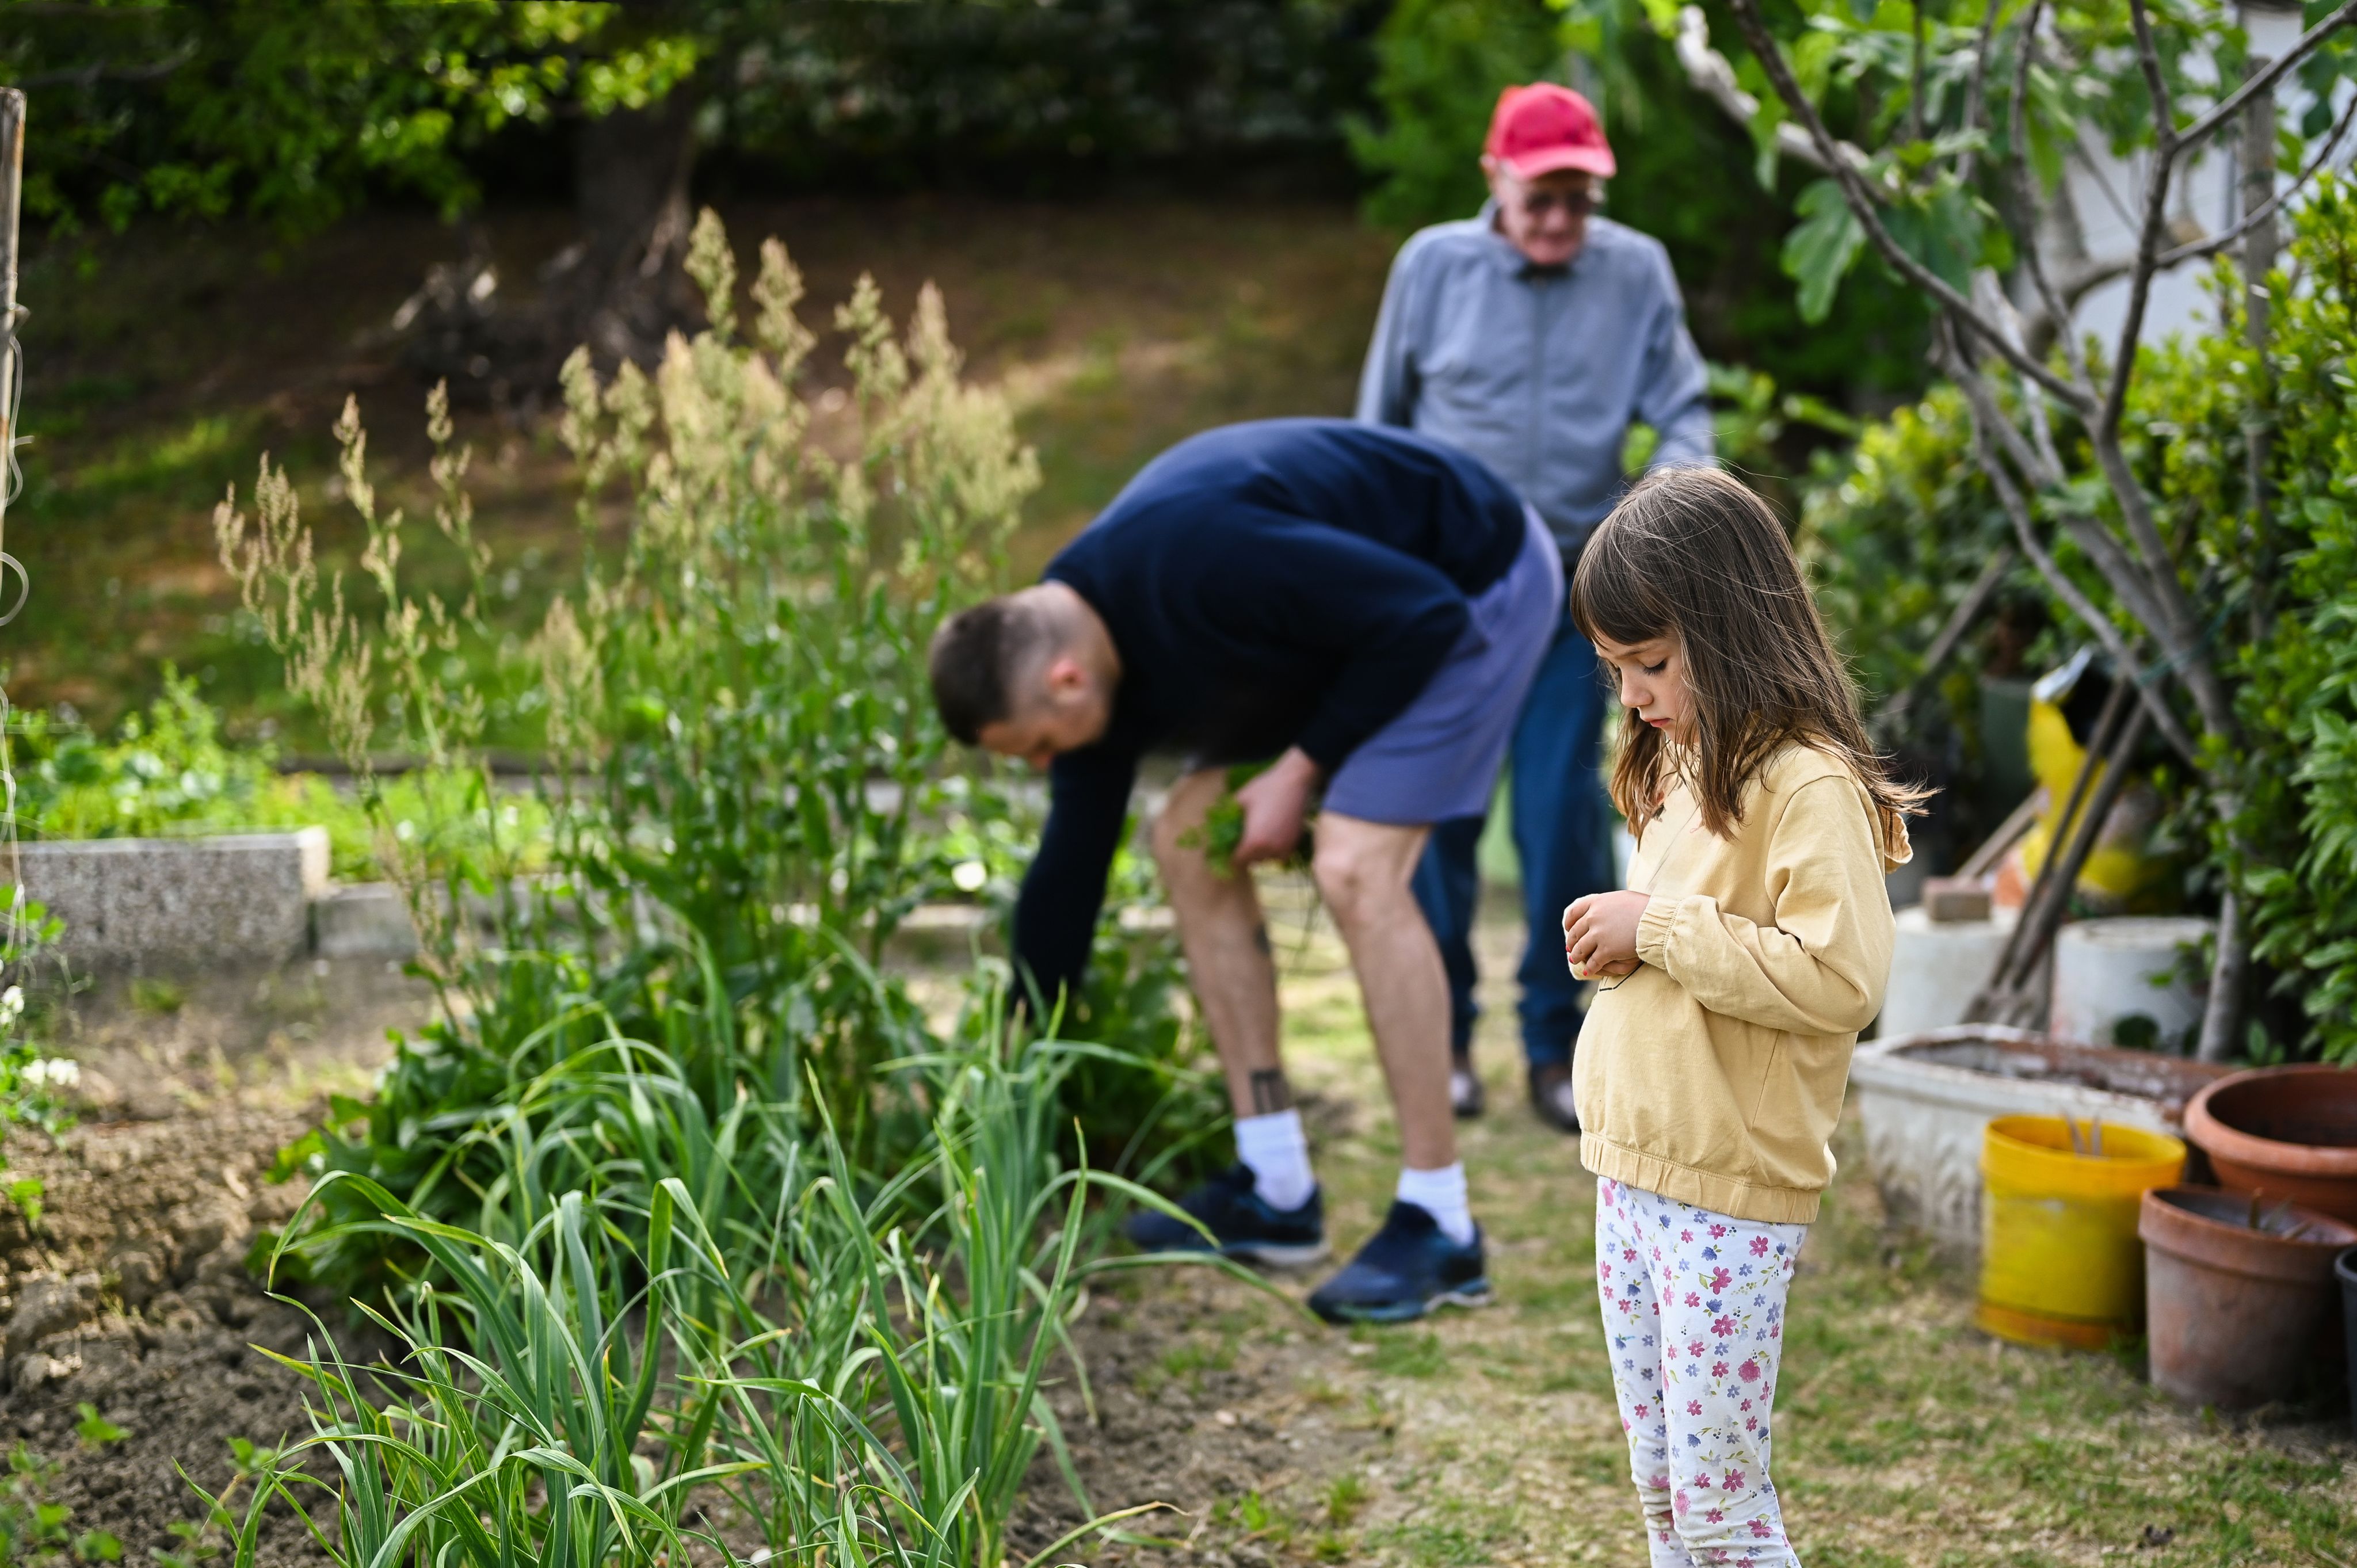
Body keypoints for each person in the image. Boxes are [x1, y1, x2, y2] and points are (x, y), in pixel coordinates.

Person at [928, 418, 1559, 1323]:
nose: (1041, 766)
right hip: (1348, 638)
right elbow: (1068, 872)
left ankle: (1441, 1223)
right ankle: (1276, 1186)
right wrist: (1021, 1060)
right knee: (1185, 836)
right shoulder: (1087, 653)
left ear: (1065, 680)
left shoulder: (1201, 562)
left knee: (1353, 864)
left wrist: (1302, 768)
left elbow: (1422, 616)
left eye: (1032, 747)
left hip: (1475, 581)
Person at [1558, 467, 1916, 1564]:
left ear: (1729, 625)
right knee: (1665, 1497)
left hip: (1725, 1202)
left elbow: (1840, 979)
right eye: (1616, 669)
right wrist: (1623, 941)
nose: (1633, 696)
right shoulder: (1681, 756)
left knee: (1723, 1517)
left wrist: (1655, 927)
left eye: (1652, 665)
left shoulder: (1807, 783)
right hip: (1633, 1178)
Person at [1357, 81, 1714, 1132]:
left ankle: (1556, 1044)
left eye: (1578, 198)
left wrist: (1663, 504)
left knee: (1562, 808)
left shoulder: (1635, 270)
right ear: (1494, 180)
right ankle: (1446, 1039)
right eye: (1539, 196)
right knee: (1447, 817)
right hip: (1449, 591)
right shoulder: (1434, 265)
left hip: (1571, 587)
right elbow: (1381, 426)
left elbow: (1682, 402)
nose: (1560, 219)